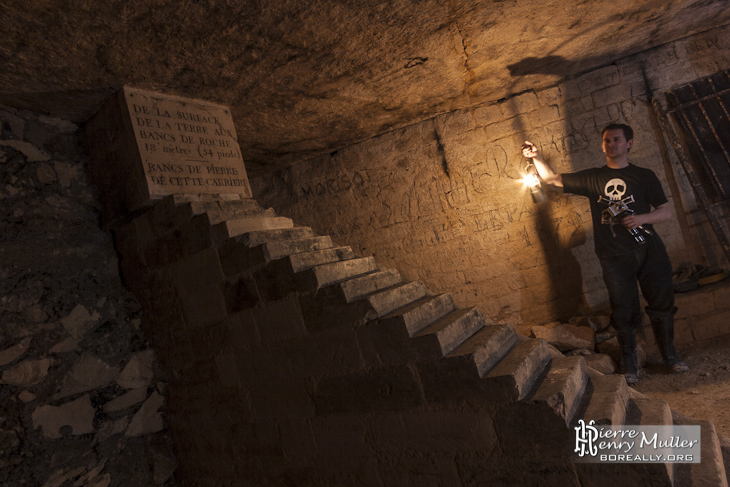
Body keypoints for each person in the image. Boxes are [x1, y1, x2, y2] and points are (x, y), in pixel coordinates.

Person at [522, 123, 689, 385]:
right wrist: (536, 157)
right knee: (623, 309)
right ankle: (631, 365)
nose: (611, 144)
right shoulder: (593, 178)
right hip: (614, 256)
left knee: (662, 304)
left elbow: (665, 211)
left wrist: (641, 218)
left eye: (617, 140)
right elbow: (552, 180)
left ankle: (670, 356)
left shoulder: (644, 176)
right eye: (607, 141)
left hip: (649, 249)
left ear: (629, 143)